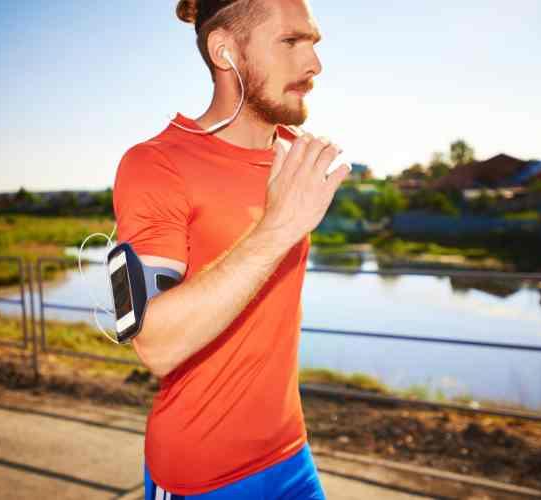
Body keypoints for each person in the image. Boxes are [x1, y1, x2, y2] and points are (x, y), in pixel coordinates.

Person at [112, 0, 350, 498]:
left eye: (313, 43)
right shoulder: (155, 164)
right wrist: (276, 229)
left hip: (291, 455)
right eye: (290, 41)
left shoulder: (293, 155)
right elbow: (154, 345)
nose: (314, 64)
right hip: (201, 474)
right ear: (225, 52)